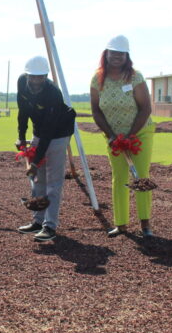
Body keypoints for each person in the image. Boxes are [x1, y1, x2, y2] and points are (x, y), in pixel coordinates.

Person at [90, 35, 155, 237]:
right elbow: (96, 111)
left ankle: (145, 224)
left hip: (139, 134)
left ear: (126, 56)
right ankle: (121, 224)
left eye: (121, 53)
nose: (117, 56)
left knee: (140, 176)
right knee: (119, 178)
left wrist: (131, 136)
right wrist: (111, 136)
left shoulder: (135, 77)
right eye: (113, 52)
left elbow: (145, 108)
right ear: (106, 54)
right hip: (114, 138)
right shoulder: (97, 79)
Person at [16, 56, 76, 242]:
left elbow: (49, 131)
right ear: (27, 75)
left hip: (58, 134)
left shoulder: (53, 93)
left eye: (40, 77)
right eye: (32, 77)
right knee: (38, 179)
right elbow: (23, 112)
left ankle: (49, 226)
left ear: (46, 76)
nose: (36, 81)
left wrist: (35, 161)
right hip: (38, 132)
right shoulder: (22, 82)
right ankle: (37, 220)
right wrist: (21, 136)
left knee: (53, 182)